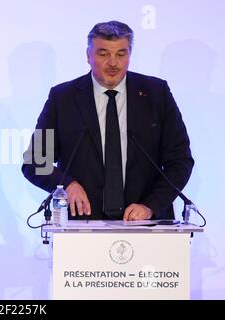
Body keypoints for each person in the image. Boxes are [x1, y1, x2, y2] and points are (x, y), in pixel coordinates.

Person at [22, 21, 194, 221]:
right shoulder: (63, 98)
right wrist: (67, 185)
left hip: (147, 225)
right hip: (81, 227)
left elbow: (180, 161)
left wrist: (150, 205)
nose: (113, 63)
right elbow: (36, 161)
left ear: (129, 55)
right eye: (103, 54)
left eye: (121, 54)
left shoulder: (156, 94)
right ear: (88, 56)